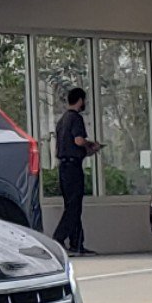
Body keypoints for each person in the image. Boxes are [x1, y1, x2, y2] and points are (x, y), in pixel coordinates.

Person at [52, 88, 101, 256]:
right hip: (73, 168)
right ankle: (58, 238)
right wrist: (91, 145)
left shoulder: (62, 120)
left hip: (63, 167)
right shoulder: (76, 118)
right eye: (84, 100)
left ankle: (77, 243)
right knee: (74, 207)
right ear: (80, 100)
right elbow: (78, 140)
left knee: (71, 205)